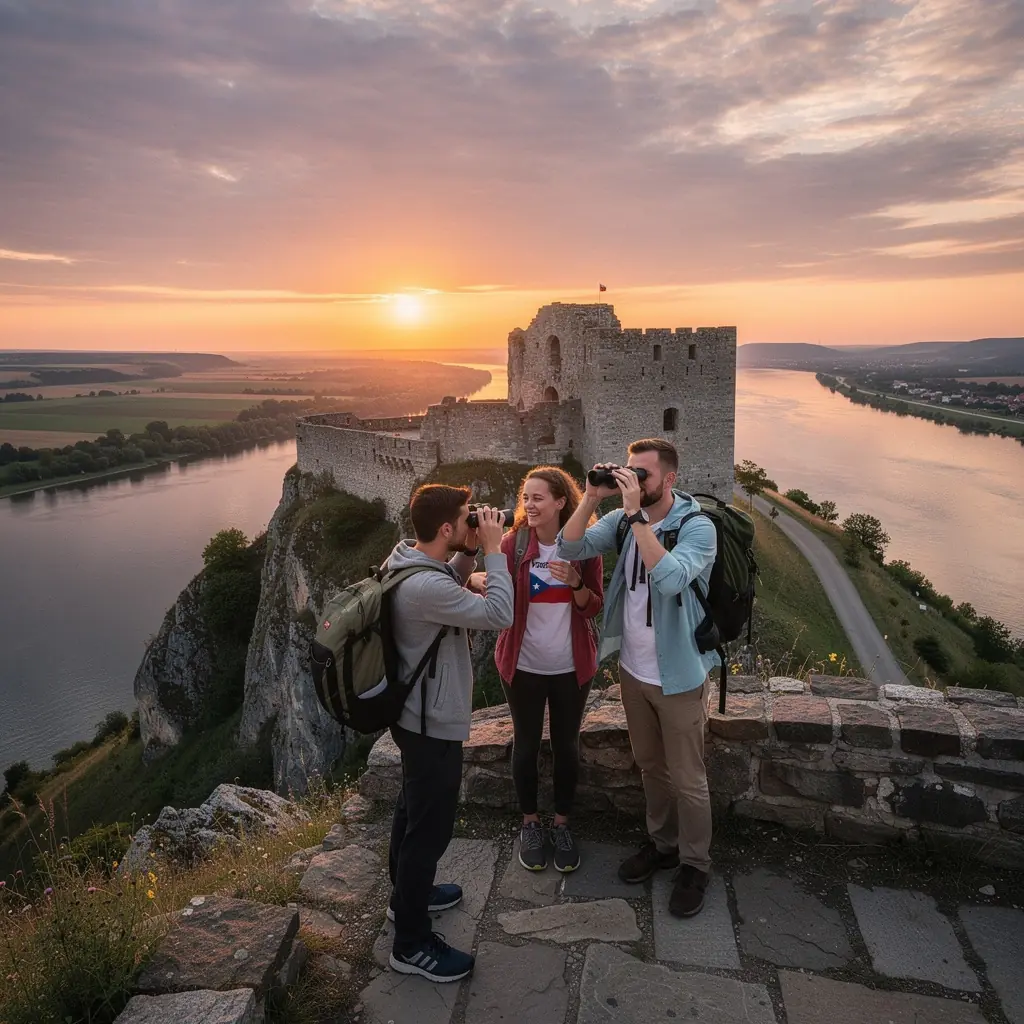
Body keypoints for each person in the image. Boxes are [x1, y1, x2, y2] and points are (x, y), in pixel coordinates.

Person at [557, 438, 719, 918]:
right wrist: (590, 497)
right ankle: (662, 844)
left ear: (669, 479)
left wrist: (635, 517)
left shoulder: (698, 529)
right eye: (629, 471)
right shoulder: (622, 521)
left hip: (680, 675)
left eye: (642, 475)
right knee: (649, 765)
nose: (633, 480)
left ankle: (695, 864)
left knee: (689, 778)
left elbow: (669, 580)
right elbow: (569, 545)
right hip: (633, 669)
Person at [383, 484, 514, 982]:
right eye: (466, 519)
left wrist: (469, 553)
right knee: (428, 835)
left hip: (413, 717)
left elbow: (443, 580)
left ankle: (405, 900)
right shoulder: (425, 588)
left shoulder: (406, 558)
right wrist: (497, 551)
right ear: (445, 529)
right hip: (430, 724)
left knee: (410, 812)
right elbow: (499, 615)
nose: (473, 523)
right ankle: (411, 944)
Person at [491, 466, 604, 873]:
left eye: (538, 498)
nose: (529, 505)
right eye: (526, 498)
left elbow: (594, 606)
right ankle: (530, 824)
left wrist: (575, 582)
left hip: (571, 666)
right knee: (525, 745)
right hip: (523, 666)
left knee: (566, 746)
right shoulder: (512, 545)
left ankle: (561, 824)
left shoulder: (584, 547)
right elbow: (497, 600)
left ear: (561, 502)